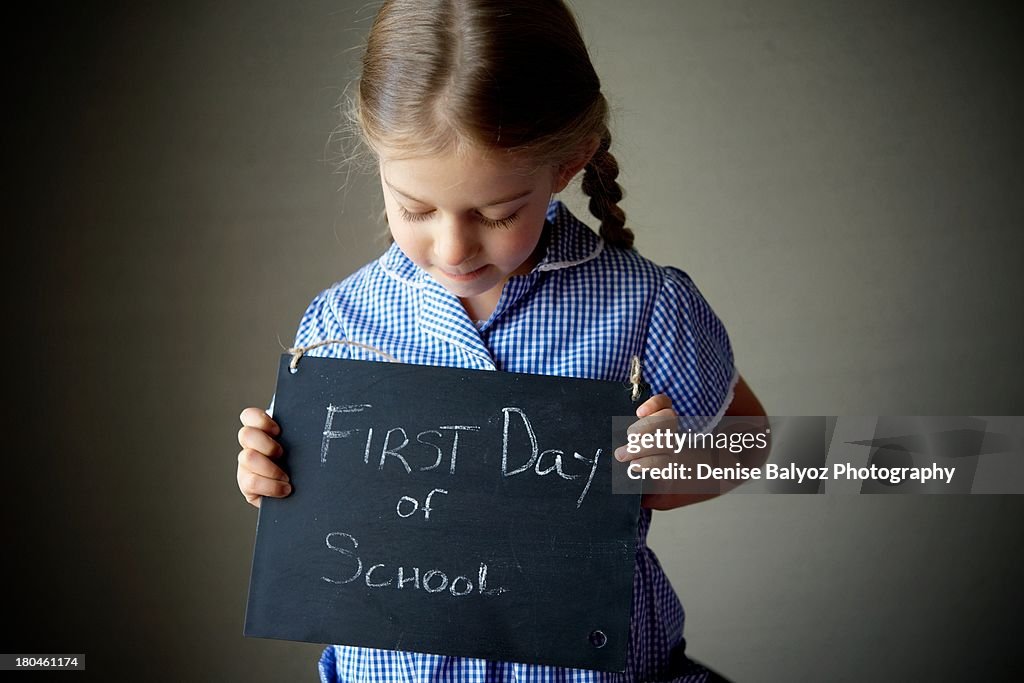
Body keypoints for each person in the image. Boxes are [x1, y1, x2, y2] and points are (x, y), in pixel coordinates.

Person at [236, 1, 766, 680]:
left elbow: (750, 437)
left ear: (569, 162)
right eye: (415, 208)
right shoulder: (340, 325)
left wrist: (672, 468)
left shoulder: (645, 306)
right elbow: (319, 520)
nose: (453, 246)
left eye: (497, 212)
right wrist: (271, 479)